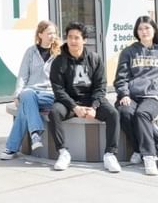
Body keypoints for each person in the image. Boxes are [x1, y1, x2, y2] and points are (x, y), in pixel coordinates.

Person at [49, 21, 121, 172]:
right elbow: (58, 90)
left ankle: (110, 154)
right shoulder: (58, 61)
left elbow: (101, 86)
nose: (73, 41)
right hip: (69, 101)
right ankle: (63, 152)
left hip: (91, 100)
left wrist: (94, 106)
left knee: (113, 113)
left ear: (84, 40)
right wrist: (75, 107)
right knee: (54, 112)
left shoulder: (95, 58)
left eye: (77, 37)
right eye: (70, 37)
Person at [0, 20, 60, 160]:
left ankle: (12, 148)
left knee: (25, 105)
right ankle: (35, 135)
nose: (53, 36)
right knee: (26, 95)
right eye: (49, 33)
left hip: (50, 95)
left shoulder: (59, 53)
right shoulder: (30, 52)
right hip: (31, 92)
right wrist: (17, 93)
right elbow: (22, 75)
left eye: (54, 33)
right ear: (40, 34)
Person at [114, 15, 158, 176]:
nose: (144, 31)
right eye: (140, 28)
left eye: (147, 27)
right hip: (131, 95)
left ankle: (148, 156)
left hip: (153, 96)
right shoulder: (129, 51)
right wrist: (124, 93)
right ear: (136, 32)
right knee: (125, 112)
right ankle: (139, 149)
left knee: (142, 114)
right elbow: (121, 77)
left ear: (154, 29)